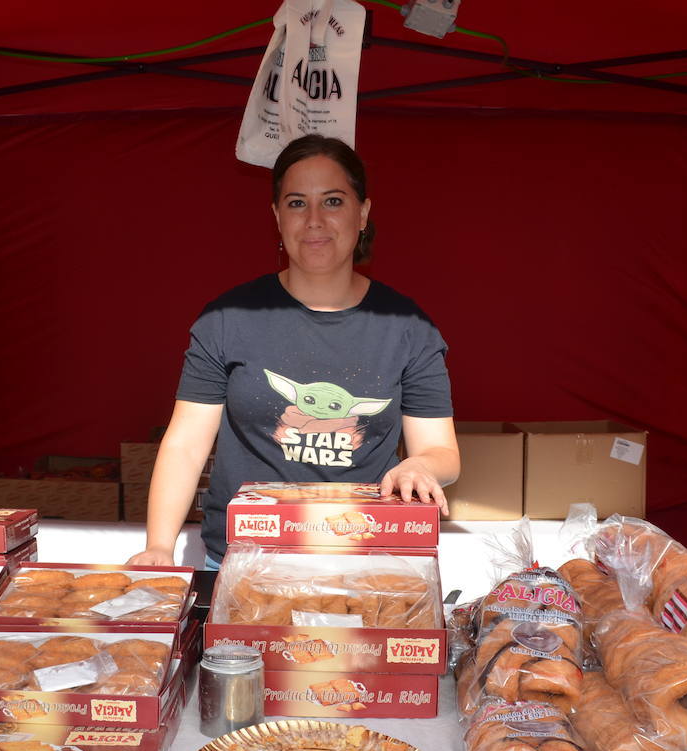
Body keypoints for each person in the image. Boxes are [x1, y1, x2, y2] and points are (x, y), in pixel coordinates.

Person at [127, 134, 458, 569]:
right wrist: (158, 547)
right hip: (240, 561)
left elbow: (442, 450)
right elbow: (187, 443)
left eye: (334, 201)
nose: (315, 220)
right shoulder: (227, 318)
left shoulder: (409, 327)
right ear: (277, 217)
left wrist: (420, 465)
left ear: (363, 213)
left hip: (361, 560)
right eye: (298, 203)